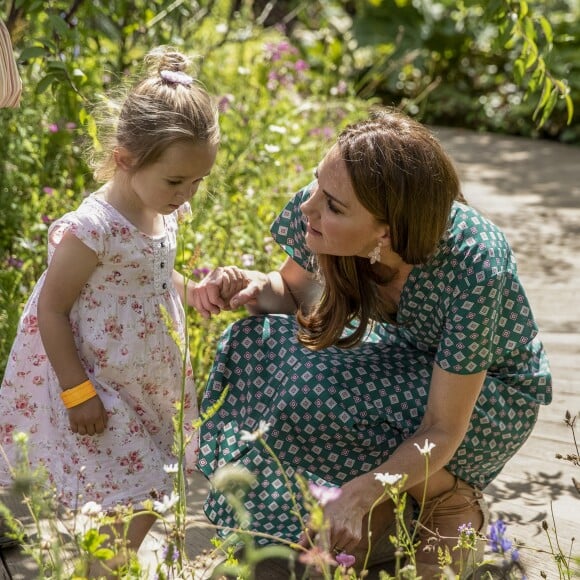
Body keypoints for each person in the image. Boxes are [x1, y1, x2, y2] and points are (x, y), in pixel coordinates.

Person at [191, 107, 552, 578]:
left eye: (333, 205)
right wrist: (251, 287)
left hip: (488, 399)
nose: (308, 207)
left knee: (326, 391)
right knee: (258, 341)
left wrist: (360, 493)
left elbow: (443, 426)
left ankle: (447, 498)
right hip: (402, 361)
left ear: (386, 231)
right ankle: (392, 498)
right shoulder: (326, 207)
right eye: (317, 183)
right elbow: (294, 292)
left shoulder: (474, 265)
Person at [0, 47, 219, 575]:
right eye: (176, 181)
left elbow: (153, 273)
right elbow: (51, 310)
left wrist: (193, 291)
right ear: (124, 159)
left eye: (197, 181)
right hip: (98, 381)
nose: (186, 194)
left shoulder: (160, 208)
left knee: (142, 492)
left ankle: (101, 569)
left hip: (148, 381)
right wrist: (79, 393)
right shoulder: (92, 229)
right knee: (134, 496)